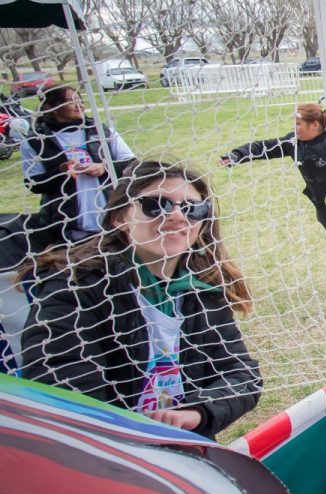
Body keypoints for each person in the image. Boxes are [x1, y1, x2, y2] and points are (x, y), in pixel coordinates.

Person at [21, 161, 261, 439]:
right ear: (120, 217)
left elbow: (242, 374)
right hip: (108, 454)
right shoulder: (74, 289)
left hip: (184, 446)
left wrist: (197, 413)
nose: (177, 216)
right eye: (156, 204)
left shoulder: (202, 289)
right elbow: (65, 394)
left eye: (193, 208)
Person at [223, 104, 326, 300]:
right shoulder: (295, 142)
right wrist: (238, 155)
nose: (295, 128)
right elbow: (266, 147)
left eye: (298, 123)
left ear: (314, 125)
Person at [21, 85, 137, 249]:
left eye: (80, 100)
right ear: (50, 107)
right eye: (71, 102)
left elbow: (132, 163)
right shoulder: (35, 142)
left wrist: (104, 168)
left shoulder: (102, 131)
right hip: (67, 227)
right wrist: (60, 172)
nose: (79, 105)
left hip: (113, 220)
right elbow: (33, 183)